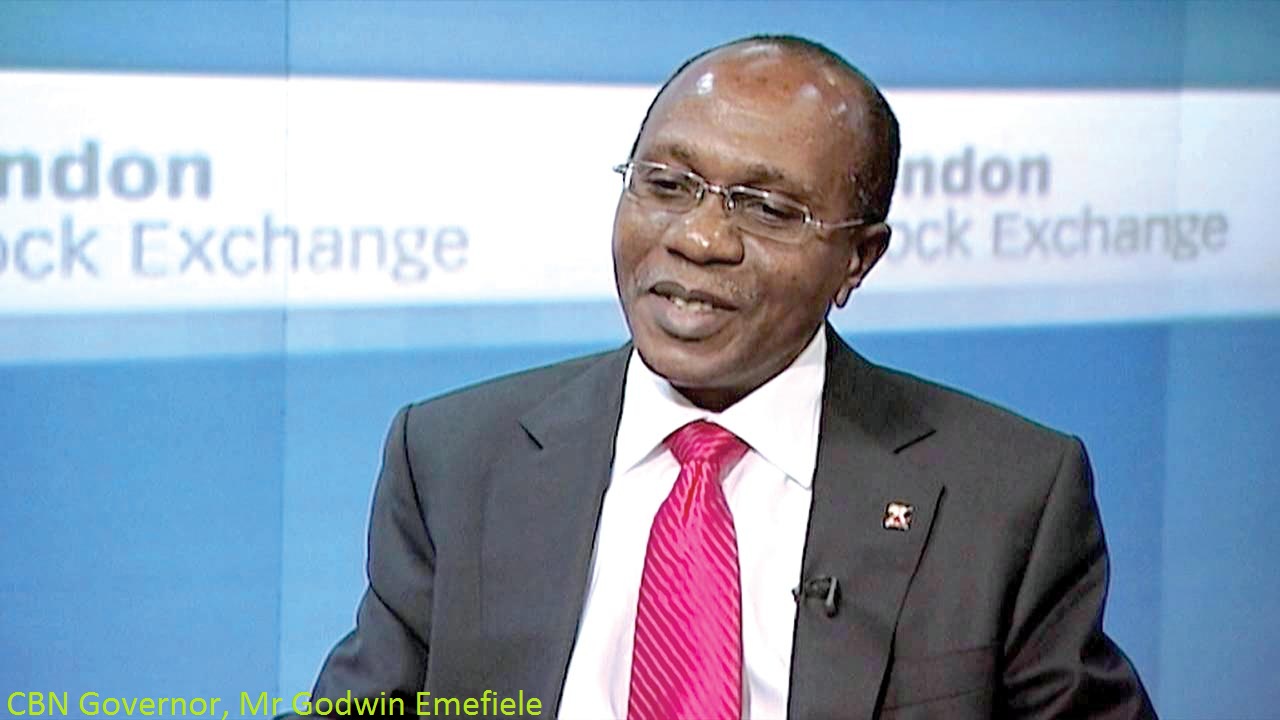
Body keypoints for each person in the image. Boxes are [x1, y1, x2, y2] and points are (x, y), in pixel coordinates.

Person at [300, 35, 1156, 719]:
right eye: (667, 185)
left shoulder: (1003, 498)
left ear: (859, 259)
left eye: (769, 208)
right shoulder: (457, 457)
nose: (699, 239)